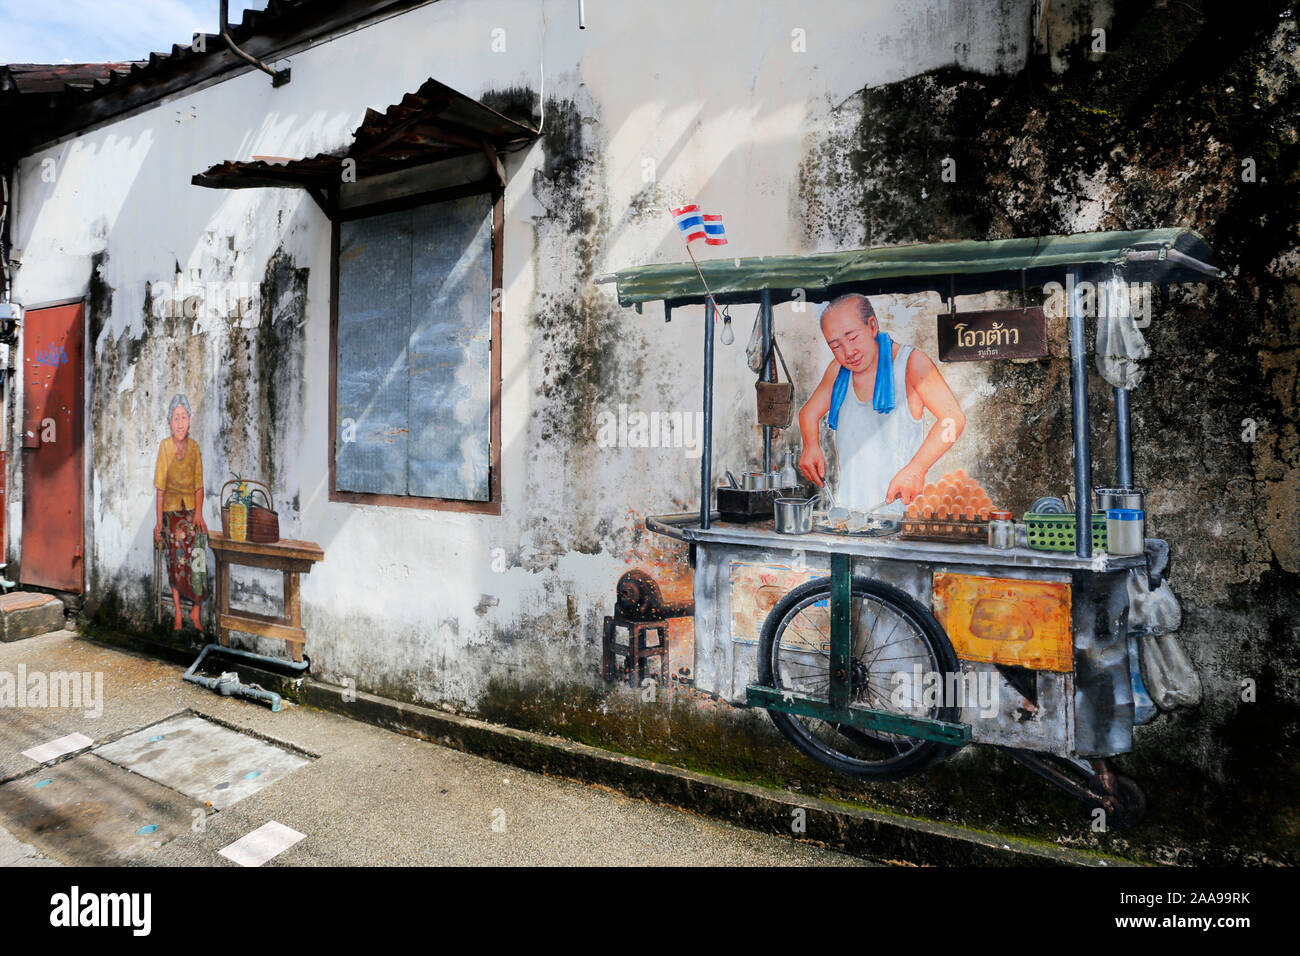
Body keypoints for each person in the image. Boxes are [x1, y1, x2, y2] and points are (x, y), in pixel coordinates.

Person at [798, 294, 965, 512]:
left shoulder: (911, 363)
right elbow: (808, 413)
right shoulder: (838, 372)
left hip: (903, 516)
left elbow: (953, 419)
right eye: (836, 346)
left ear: (872, 326)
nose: (848, 352)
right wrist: (810, 445)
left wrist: (917, 469)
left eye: (852, 337)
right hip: (851, 516)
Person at [153, 394, 207, 630]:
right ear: (169, 421)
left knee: (199, 545)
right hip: (171, 513)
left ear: (189, 420)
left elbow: (199, 485)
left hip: (191, 512)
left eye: (184, 417)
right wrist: (158, 523)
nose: (180, 422)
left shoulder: (194, 447)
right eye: (176, 418)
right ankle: (177, 612)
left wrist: (199, 514)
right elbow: (160, 488)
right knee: (175, 549)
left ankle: (195, 609)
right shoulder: (165, 447)